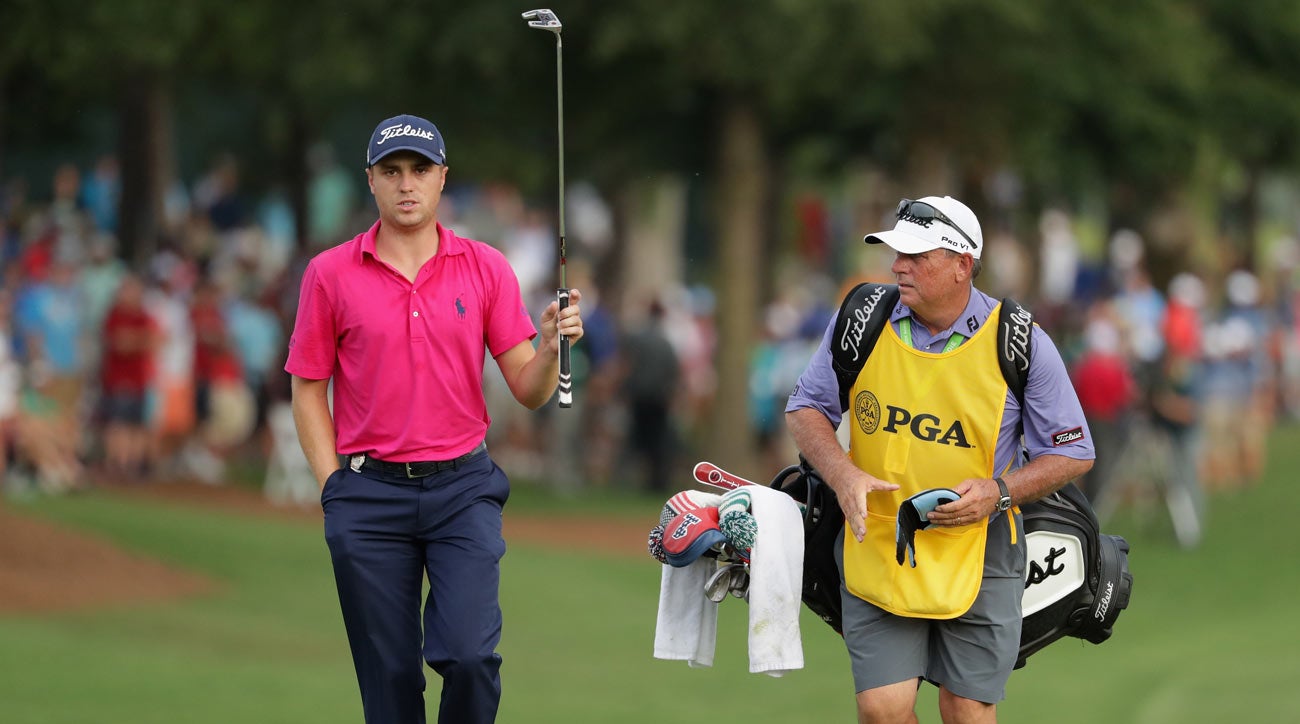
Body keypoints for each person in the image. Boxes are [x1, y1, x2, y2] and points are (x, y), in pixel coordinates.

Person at [284, 113, 583, 724]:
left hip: (462, 489)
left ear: (443, 177)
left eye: (420, 170)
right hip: (367, 494)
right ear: (370, 180)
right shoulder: (329, 273)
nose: (406, 184)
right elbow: (308, 389)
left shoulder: (485, 266)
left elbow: (527, 389)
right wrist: (332, 487)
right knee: (390, 682)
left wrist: (551, 349)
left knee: (470, 658)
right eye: (391, 171)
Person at [785, 195, 1094, 723]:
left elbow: (1073, 452)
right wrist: (843, 474)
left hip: (982, 550)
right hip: (878, 541)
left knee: (966, 710)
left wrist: (998, 493)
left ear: (962, 265)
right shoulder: (863, 319)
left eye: (916, 255)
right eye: (896, 253)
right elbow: (806, 408)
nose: (897, 266)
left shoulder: (1020, 341)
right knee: (883, 710)